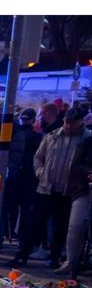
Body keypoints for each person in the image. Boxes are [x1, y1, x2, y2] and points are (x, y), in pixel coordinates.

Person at [14, 108, 90, 269]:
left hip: (69, 190)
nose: (68, 126)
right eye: (66, 122)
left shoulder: (87, 139)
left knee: (61, 226)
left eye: (72, 123)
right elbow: (38, 157)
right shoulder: (52, 136)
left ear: (80, 122)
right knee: (34, 223)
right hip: (46, 187)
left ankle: (54, 257)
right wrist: (40, 173)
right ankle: (23, 254)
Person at [56, 126, 92, 276]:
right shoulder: (89, 141)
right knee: (75, 226)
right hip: (84, 189)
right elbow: (77, 163)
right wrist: (88, 173)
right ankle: (71, 261)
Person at [5, 108, 42, 241]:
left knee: (11, 206)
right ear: (33, 120)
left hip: (15, 174)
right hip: (30, 175)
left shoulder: (14, 134)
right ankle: (22, 235)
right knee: (26, 208)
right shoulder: (39, 137)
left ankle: (9, 232)